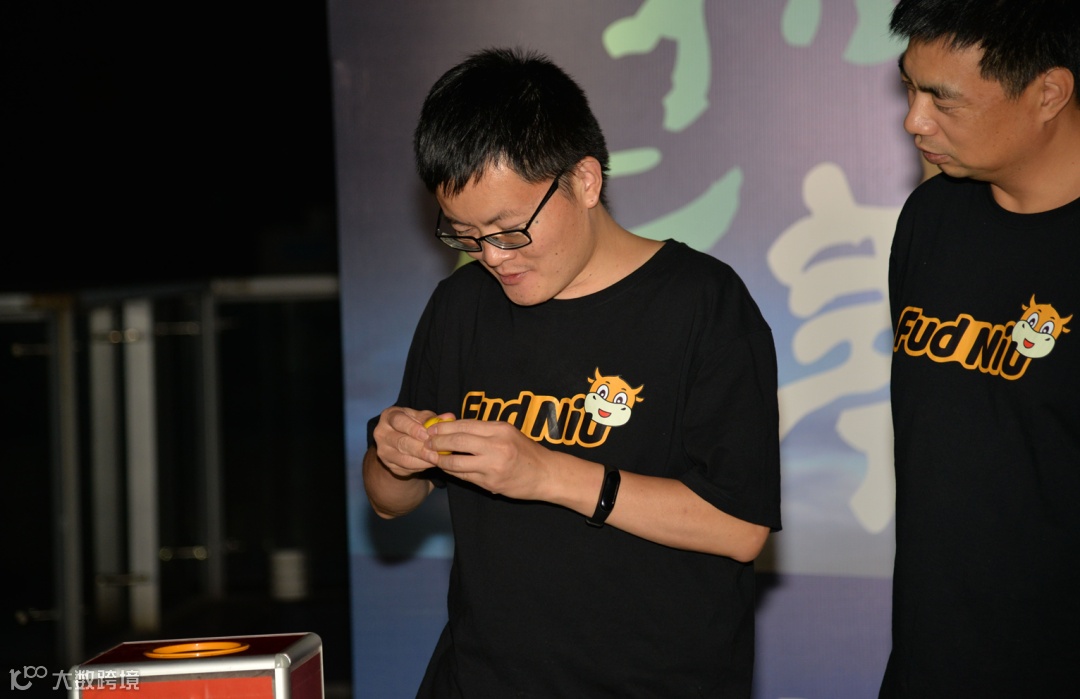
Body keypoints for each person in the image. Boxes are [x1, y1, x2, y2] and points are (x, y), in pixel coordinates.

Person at [362, 47, 782, 697]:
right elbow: (389, 503)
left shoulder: (701, 303)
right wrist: (392, 456)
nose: (492, 257)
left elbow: (741, 528)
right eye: (466, 236)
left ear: (584, 181)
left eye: (509, 230)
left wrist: (547, 474)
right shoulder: (462, 305)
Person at [881, 1, 1080, 696]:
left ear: (1048, 93)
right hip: (928, 662)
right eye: (909, 88)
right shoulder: (933, 216)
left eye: (943, 99)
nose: (915, 120)